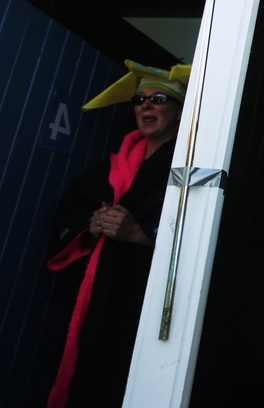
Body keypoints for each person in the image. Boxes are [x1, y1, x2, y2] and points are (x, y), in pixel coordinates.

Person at [46, 60, 190, 408]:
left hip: (149, 298)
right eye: (140, 100)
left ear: (178, 110)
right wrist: (93, 223)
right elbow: (72, 211)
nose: (146, 106)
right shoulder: (116, 164)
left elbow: (199, 234)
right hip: (103, 290)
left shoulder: (185, 167)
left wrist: (141, 235)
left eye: (158, 99)